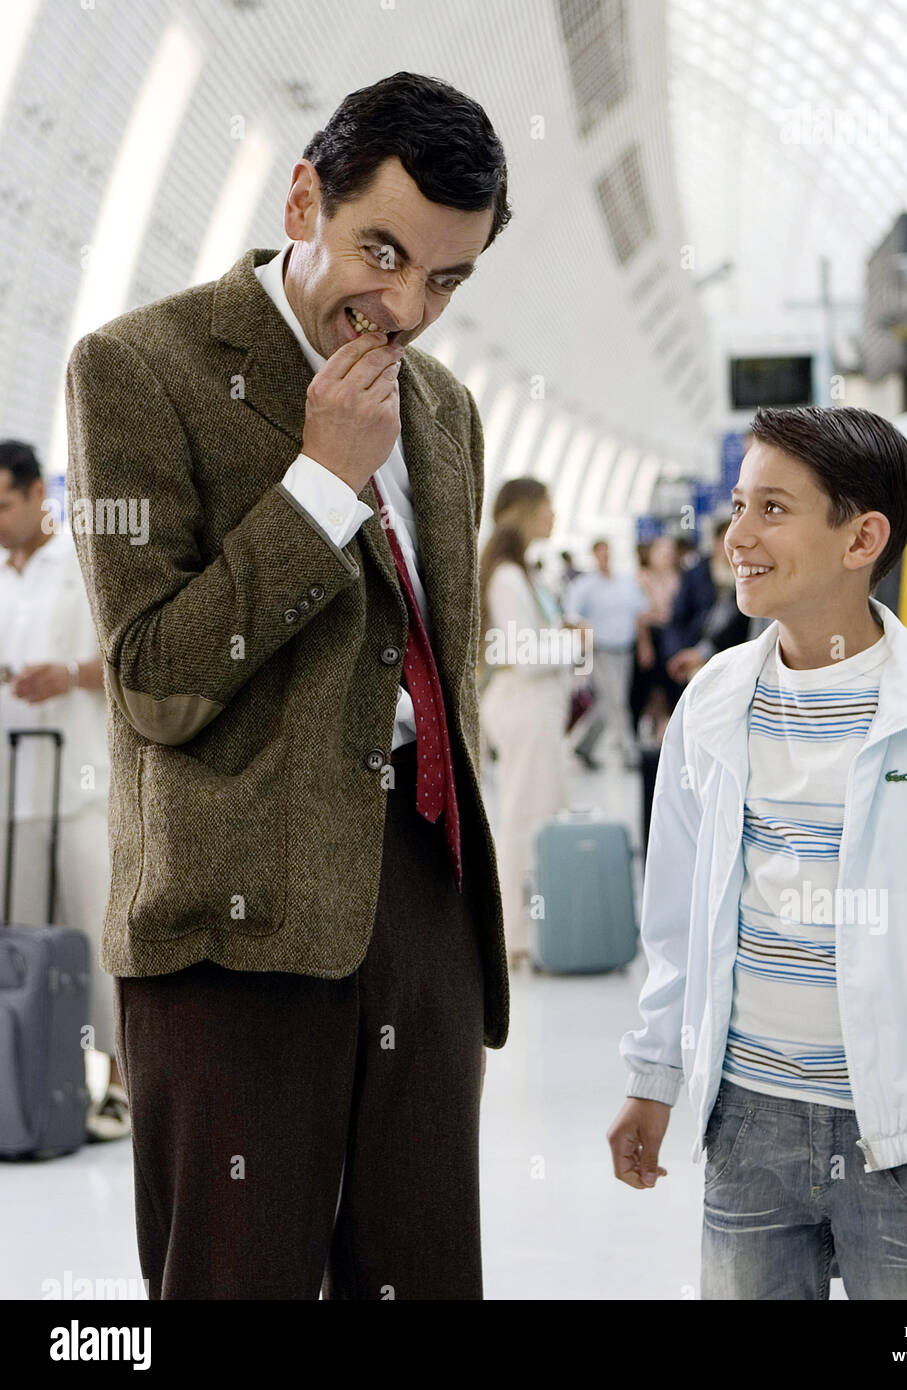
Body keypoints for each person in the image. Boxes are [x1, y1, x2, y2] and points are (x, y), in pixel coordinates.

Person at [65, 72, 512, 1300]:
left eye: (447, 279)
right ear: (304, 196)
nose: (407, 307)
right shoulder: (138, 368)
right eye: (384, 252)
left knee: (422, 1275)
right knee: (236, 1280)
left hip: (420, 904)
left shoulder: (446, 409)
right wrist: (320, 482)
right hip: (231, 928)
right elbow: (154, 678)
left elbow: (439, 658)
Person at [607, 404, 907, 1300]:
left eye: (772, 509)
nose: (736, 534)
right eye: (738, 505)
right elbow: (675, 917)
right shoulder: (714, 703)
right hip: (744, 1125)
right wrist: (653, 1074)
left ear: (862, 539)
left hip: (905, 1137)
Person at [0, 441, 122, 1140]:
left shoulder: (83, 562)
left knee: (98, 940)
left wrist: (70, 674)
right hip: (10, 795)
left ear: (38, 494)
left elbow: (131, 655)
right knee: (21, 952)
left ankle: (119, 1085)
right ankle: (32, 1083)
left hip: (78, 785)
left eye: (5, 505)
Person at [478, 478, 579, 969]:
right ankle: (513, 936)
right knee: (525, 819)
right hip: (523, 705)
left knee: (539, 812)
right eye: (547, 506)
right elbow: (521, 655)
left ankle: (533, 930)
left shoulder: (524, 575)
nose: (553, 516)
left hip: (536, 706)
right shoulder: (507, 579)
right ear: (525, 512)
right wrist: (575, 643)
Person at [563, 540, 647, 771]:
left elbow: (639, 613)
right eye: (600, 553)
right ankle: (630, 754)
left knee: (608, 702)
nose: (605, 557)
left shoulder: (624, 583)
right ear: (593, 556)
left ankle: (584, 745)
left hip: (624, 650)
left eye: (607, 552)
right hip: (601, 650)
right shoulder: (585, 585)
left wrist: (643, 646)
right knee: (617, 701)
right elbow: (571, 616)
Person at [666, 514, 751, 684]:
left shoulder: (750, 574)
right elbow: (678, 619)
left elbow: (741, 623)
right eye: (728, 540)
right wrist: (677, 654)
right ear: (717, 542)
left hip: (732, 654)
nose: (733, 548)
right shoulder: (696, 573)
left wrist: (703, 653)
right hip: (693, 648)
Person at [631, 533, 681, 744]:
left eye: (669, 553)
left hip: (671, 638)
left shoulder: (677, 577)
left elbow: (672, 612)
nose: (666, 557)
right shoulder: (642, 577)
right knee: (651, 686)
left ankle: (664, 727)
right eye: (662, 553)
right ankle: (651, 728)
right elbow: (643, 615)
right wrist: (644, 645)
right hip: (651, 638)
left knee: (669, 685)